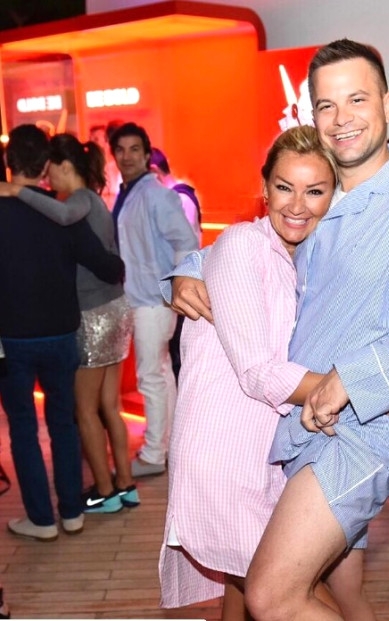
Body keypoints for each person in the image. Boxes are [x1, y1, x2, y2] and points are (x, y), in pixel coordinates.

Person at [168, 39, 389, 620]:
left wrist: (352, 380)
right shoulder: (328, 194)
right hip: (300, 430)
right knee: (329, 592)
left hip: (360, 436)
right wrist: (188, 270)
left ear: (387, 104)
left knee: (272, 595)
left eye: (357, 99)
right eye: (326, 105)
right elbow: (264, 246)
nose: (342, 118)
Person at [161, 125, 389, 619]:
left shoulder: (316, 258)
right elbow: (259, 371)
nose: (297, 205)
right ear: (264, 187)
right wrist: (375, 391)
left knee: (249, 585)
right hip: (227, 452)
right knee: (286, 592)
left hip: (279, 448)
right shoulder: (244, 246)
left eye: (315, 191)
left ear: (334, 194)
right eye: (285, 187)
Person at [0, 133, 137, 513]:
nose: (49, 181)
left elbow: (92, 249)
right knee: (101, 408)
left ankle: (101, 493)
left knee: (78, 412)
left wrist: (16, 190)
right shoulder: (78, 202)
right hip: (103, 312)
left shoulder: (73, 203)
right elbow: (107, 262)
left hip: (85, 317)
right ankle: (119, 488)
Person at [110, 122, 199, 478]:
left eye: (135, 149)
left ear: (147, 154)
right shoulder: (127, 193)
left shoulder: (156, 195)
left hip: (153, 299)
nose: (127, 156)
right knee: (160, 373)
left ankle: (153, 453)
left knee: (151, 375)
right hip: (142, 297)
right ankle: (170, 445)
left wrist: (177, 289)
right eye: (120, 150)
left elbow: (186, 242)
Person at [149, 146, 203, 384]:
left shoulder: (179, 199)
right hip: (178, 282)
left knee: (179, 358)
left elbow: (179, 245)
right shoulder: (178, 197)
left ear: (154, 172)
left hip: (182, 282)